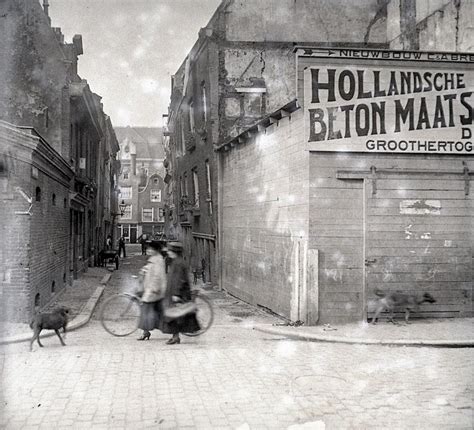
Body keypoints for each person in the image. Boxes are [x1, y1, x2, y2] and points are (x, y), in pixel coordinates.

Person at [162, 241, 200, 344]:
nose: (168, 252)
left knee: (175, 316)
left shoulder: (178, 263)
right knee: (176, 315)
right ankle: (175, 336)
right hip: (176, 292)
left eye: (169, 250)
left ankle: (175, 337)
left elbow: (179, 279)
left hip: (178, 293)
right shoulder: (176, 261)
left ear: (174, 251)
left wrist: (176, 294)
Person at [137, 241, 167, 341]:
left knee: (147, 310)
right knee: (155, 311)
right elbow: (149, 268)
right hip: (152, 290)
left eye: (150, 249)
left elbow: (157, 276)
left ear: (155, 250)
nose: (148, 250)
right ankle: (146, 332)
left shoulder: (158, 260)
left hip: (155, 290)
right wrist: (143, 270)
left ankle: (146, 332)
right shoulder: (153, 259)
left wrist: (154, 289)